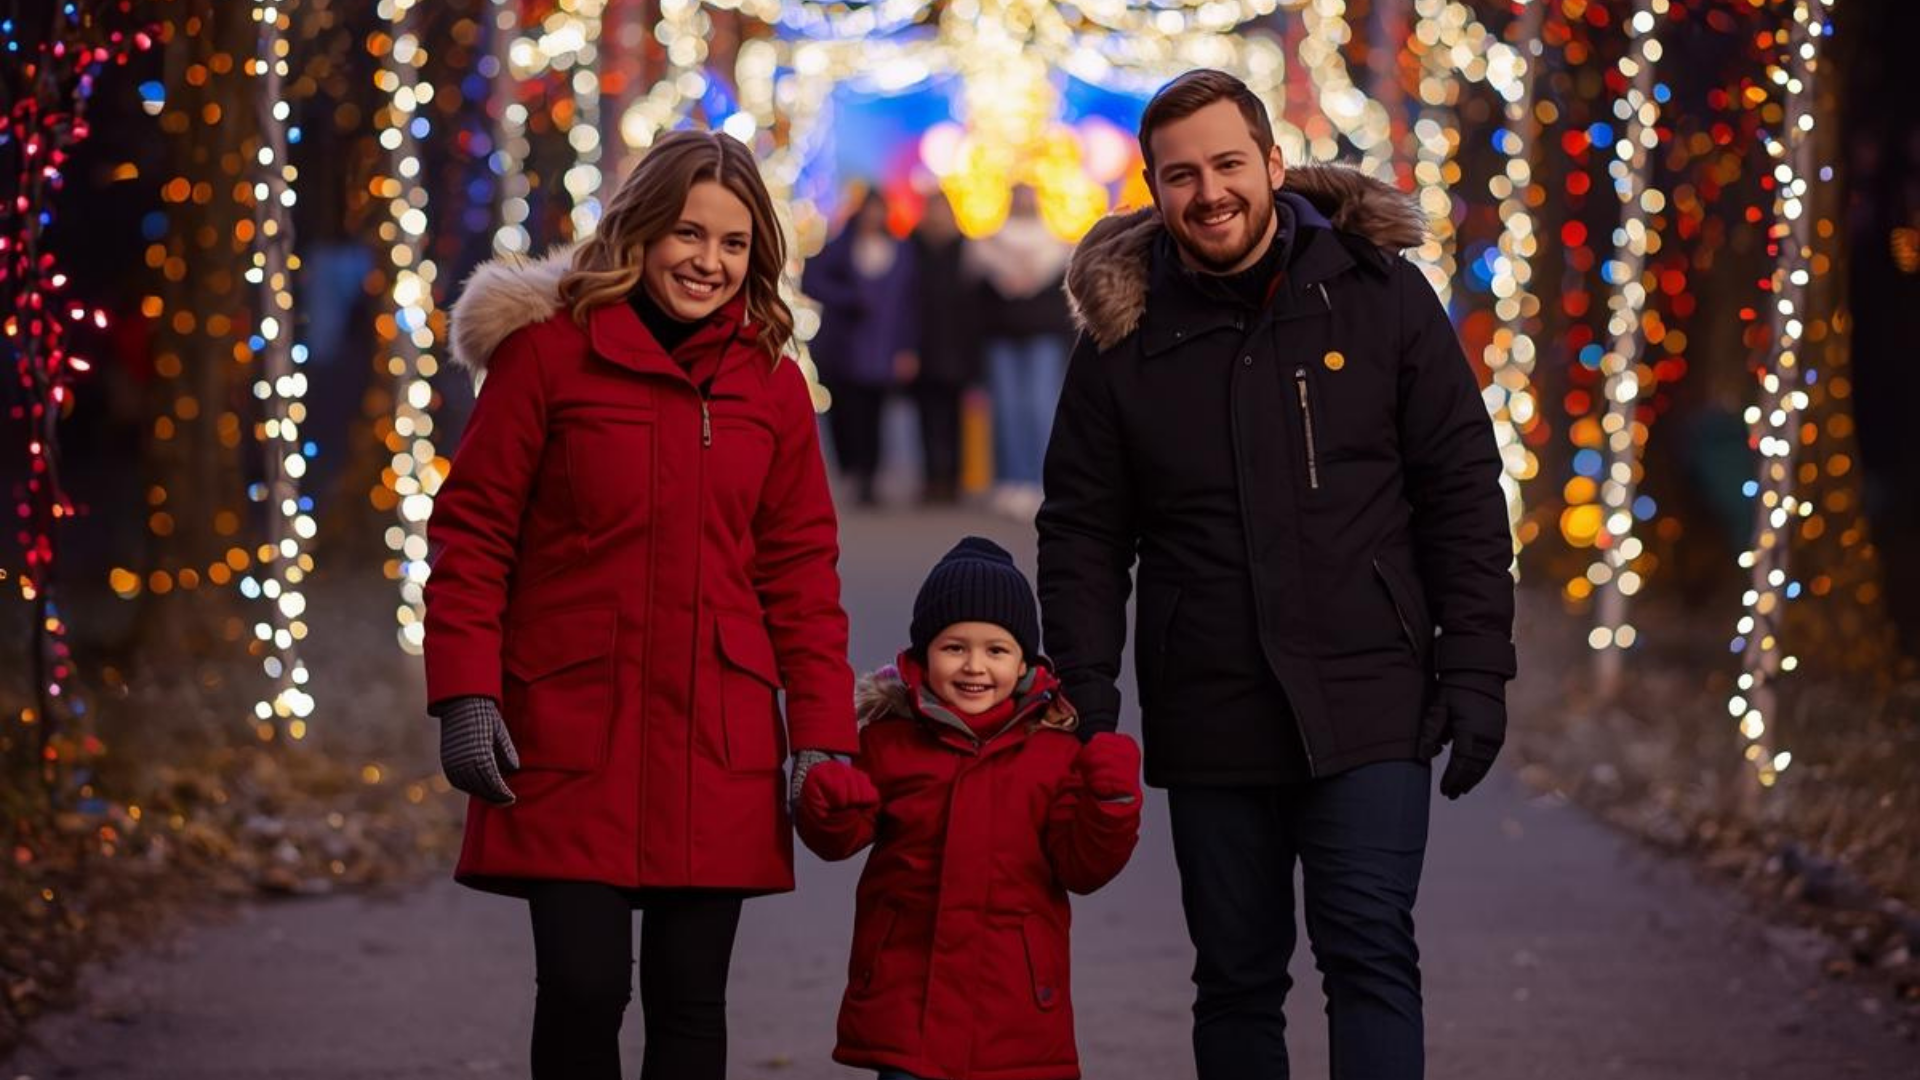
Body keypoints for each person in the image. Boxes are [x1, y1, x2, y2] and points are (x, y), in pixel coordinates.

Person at [1037, 69, 1516, 1079]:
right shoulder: (1124, 339)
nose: (1209, 193)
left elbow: (1461, 487)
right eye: (1181, 175)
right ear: (1154, 189)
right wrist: (1085, 696)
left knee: (1369, 952)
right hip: (1211, 705)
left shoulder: (1377, 295)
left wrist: (1475, 666)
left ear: (1271, 163)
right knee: (1238, 977)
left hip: (1372, 691)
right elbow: (1083, 531)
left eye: (1226, 164)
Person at [426, 129, 858, 1080]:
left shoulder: (774, 386)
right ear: (640, 232)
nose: (708, 261)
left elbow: (800, 574)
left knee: (691, 1005)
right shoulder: (547, 359)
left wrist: (822, 734)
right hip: (572, 726)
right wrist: (466, 692)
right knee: (583, 992)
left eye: (734, 243)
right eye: (687, 234)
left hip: (721, 736)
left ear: (758, 256)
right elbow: (474, 534)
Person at [795, 537, 1142, 1080]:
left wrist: (1111, 803)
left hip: (1016, 1014)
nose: (974, 666)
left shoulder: (1053, 753)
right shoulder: (890, 743)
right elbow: (838, 838)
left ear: (1024, 661)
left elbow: (1083, 866)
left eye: (995, 650)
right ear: (922, 655)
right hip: (906, 1008)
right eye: (954, 647)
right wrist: (832, 804)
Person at [802, 188, 919, 507]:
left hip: (883, 348)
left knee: (876, 414)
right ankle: (852, 471)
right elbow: (812, 281)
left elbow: (909, 305)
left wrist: (907, 348)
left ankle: (870, 476)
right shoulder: (841, 247)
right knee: (846, 414)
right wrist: (850, 299)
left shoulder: (902, 251)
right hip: (844, 348)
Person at [967, 184, 1073, 521]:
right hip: (1001, 336)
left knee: (1041, 408)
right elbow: (974, 291)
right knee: (1007, 411)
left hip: (1043, 337)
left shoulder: (1057, 246)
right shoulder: (987, 245)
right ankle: (1010, 481)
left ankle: (1041, 481)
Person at [903, 191, 980, 505]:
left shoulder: (966, 250)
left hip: (957, 346)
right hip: (922, 345)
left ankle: (953, 479)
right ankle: (931, 478)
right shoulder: (911, 248)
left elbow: (975, 305)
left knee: (954, 418)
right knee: (926, 417)